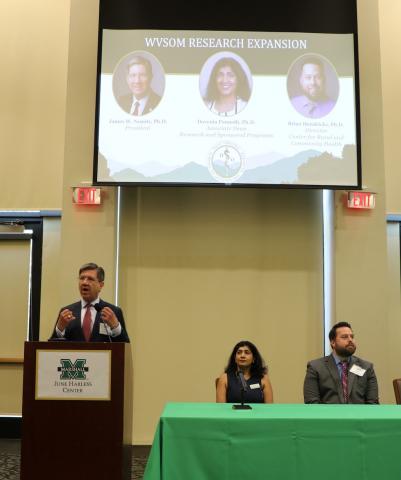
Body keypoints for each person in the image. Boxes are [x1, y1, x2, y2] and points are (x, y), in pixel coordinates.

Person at [50, 262, 130, 342]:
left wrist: (116, 328)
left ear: (101, 285)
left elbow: (125, 347)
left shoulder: (113, 312)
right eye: (82, 278)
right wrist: (59, 329)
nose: (84, 282)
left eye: (90, 279)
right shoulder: (66, 312)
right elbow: (51, 347)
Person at [303, 322, 378, 404]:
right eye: (344, 337)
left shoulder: (366, 367)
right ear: (333, 342)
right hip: (328, 416)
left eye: (352, 337)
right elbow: (312, 403)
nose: (350, 340)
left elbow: (373, 403)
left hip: (359, 416)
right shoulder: (316, 367)